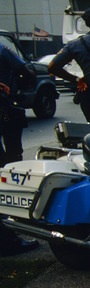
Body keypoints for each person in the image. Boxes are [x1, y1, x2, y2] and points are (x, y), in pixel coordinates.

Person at [0, 44, 39, 256]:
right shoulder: (2, 49)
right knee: (10, 163)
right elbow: (26, 71)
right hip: (6, 108)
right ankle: (8, 235)